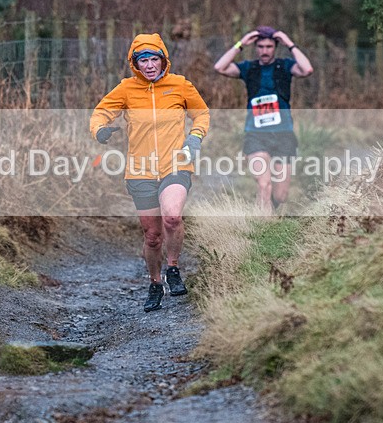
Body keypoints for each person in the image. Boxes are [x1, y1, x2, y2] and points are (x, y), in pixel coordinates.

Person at [90, 33, 210, 312]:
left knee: (172, 216)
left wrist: (195, 136)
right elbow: (100, 113)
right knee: (152, 236)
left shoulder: (180, 85)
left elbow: (201, 113)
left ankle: (173, 269)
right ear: (135, 64)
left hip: (175, 164)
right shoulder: (125, 89)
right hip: (140, 170)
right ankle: (155, 283)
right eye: (142, 60)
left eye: (153, 58)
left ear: (163, 60)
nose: (149, 65)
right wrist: (100, 131)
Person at [213, 26, 313, 211]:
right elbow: (220, 67)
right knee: (264, 184)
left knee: (280, 195)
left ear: (275, 47)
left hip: (284, 134)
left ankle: (270, 214)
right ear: (256, 47)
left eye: (268, 46)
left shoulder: (285, 66)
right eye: (260, 46)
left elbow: (307, 69)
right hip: (256, 135)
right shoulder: (248, 68)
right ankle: (261, 227)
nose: (264, 50)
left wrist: (289, 43)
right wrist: (241, 43)